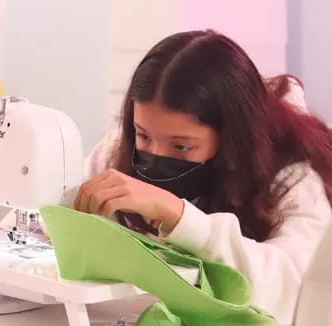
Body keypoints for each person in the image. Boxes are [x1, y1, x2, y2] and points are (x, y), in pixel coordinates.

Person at [74, 30, 332, 325]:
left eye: (181, 146)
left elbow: (293, 294)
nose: (156, 154)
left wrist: (181, 217)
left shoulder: (294, 182)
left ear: (231, 137)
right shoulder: (123, 147)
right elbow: (63, 210)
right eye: (144, 136)